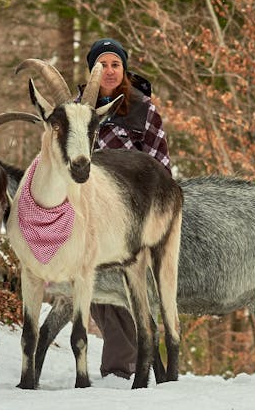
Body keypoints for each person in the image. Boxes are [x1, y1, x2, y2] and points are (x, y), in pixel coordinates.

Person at [82, 38, 171, 379]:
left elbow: (160, 163)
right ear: (91, 69)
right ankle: (133, 361)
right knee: (94, 286)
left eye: (115, 64)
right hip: (88, 210)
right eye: (101, 64)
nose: (108, 71)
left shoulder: (143, 108)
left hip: (132, 211)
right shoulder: (77, 107)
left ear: (124, 70)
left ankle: (121, 367)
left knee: (124, 285)